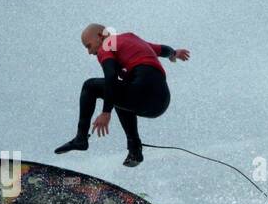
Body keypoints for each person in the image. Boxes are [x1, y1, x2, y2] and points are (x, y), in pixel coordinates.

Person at [55, 24, 190, 167]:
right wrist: (174, 53)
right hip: (161, 101)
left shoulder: (107, 45)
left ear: (101, 36)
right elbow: (162, 49)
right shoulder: (131, 39)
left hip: (144, 91)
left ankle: (81, 138)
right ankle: (135, 150)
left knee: (90, 86)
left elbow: (111, 76)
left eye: (88, 46)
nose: (89, 52)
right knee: (119, 95)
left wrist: (106, 112)